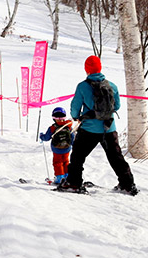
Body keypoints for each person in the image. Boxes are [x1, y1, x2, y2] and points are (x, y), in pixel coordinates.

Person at [59, 55, 139, 195]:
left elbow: (75, 107)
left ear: (87, 70)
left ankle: (74, 183)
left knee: (78, 157)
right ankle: (127, 184)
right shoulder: (111, 86)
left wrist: (77, 117)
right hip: (109, 128)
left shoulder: (83, 86)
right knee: (116, 158)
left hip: (89, 129)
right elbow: (117, 106)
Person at [39, 107, 75, 184]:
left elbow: (46, 138)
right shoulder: (69, 126)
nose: (59, 118)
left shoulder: (52, 128)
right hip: (67, 148)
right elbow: (72, 138)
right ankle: (67, 176)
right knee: (66, 162)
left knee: (57, 162)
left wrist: (41, 136)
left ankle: (59, 178)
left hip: (56, 149)